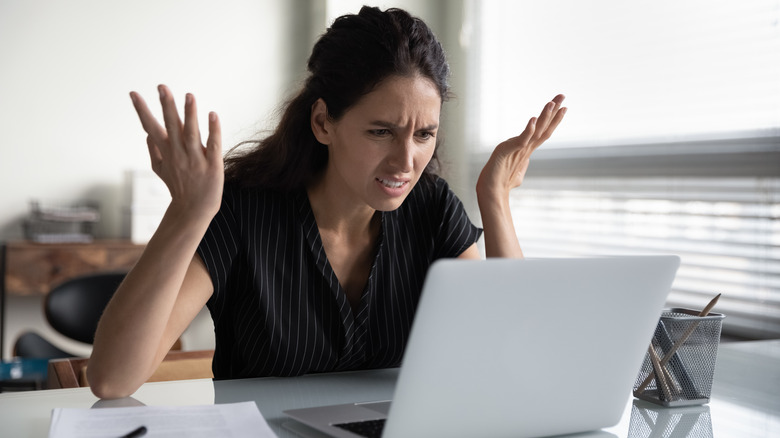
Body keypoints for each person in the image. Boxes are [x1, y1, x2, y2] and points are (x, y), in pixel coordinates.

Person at [88, 6, 566, 399]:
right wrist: (189, 212)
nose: (406, 160)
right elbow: (112, 380)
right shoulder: (242, 209)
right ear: (323, 123)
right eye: (381, 132)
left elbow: (514, 356)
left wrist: (495, 198)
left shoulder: (431, 207)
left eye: (424, 135)